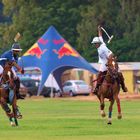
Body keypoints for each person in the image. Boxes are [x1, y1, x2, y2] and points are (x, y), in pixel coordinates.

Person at [91, 26, 128, 95]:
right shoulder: (100, 43)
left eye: (95, 43)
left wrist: (110, 61)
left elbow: (111, 54)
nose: (95, 45)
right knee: (100, 74)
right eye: (94, 43)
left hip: (110, 60)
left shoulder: (103, 48)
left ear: (98, 43)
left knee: (119, 74)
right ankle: (96, 88)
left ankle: (123, 87)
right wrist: (99, 30)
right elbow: (100, 35)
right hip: (104, 62)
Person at [0, 43, 24, 118]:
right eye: (16, 51)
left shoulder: (16, 56)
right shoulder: (8, 54)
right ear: (12, 50)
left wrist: (17, 69)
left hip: (8, 67)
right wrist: (20, 69)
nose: (17, 52)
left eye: (18, 51)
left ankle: (17, 93)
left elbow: (13, 64)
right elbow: (13, 62)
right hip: (1, 66)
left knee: (16, 78)